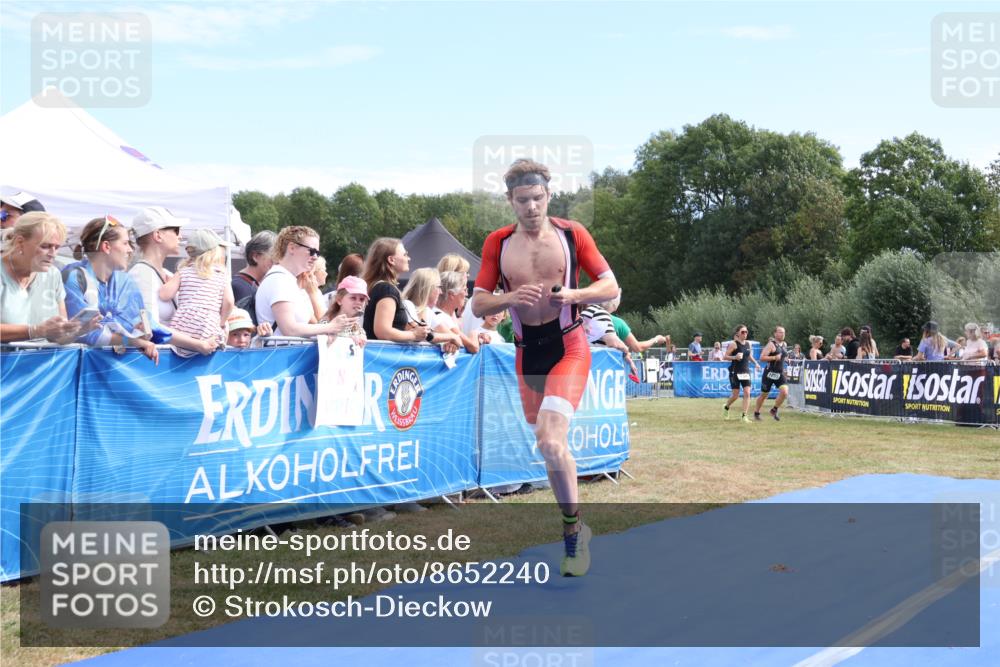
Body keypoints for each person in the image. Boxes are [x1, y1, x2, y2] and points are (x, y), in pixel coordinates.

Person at [471, 158, 618, 577]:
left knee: (552, 440)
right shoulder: (497, 243)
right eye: (522, 201)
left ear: (548, 196)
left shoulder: (572, 234)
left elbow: (611, 286)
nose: (531, 207)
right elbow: (478, 302)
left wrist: (573, 293)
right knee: (547, 446)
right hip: (526, 350)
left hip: (568, 345)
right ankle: (577, 523)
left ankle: (572, 535)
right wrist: (510, 298)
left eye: (537, 198)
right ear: (510, 201)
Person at [62, 216, 159, 363]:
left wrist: (139, 332)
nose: (130, 250)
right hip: (78, 371)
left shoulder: (123, 280)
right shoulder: (74, 277)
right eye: (125, 243)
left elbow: (145, 324)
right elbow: (86, 333)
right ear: (106, 247)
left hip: (110, 368)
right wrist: (134, 341)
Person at [128, 206, 214, 355]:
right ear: (158, 235)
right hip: (157, 366)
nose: (180, 236)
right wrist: (198, 345)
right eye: (176, 230)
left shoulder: (167, 274)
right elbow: (150, 328)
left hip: (170, 363)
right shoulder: (141, 273)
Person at [0, 212, 88, 342]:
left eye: (57, 247)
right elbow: (41, 331)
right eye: (45, 246)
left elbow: (60, 337)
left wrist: (79, 330)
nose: (53, 254)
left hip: (43, 361)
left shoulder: (53, 274)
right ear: (20, 242)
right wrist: (35, 331)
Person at [256, 226, 357, 338]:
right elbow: (289, 329)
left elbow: (314, 323)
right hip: (281, 353)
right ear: (292, 248)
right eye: (312, 251)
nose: (315, 257)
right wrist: (330, 327)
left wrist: (352, 332)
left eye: (317, 253)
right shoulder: (279, 280)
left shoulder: (289, 281)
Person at [159, 229, 234, 356]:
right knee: (224, 331)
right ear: (214, 252)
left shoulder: (184, 271)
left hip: (184, 324)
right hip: (209, 324)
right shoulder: (221, 274)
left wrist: (167, 283)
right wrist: (221, 322)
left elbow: (164, 295)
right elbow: (229, 302)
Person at [362, 237, 429, 344]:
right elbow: (383, 331)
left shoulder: (379, 287)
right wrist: (414, 335)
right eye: (405, 254)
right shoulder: (386, 289)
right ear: (391, 260)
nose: (409, 258)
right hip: (383, 357)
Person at [399, 267, 460, 351]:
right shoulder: (407, 304)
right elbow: (421, 334)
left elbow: (457, 340)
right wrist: (451, 337)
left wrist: (449, 342)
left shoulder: (427, 311)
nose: (441, 292)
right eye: (438, 287)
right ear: (427, 288)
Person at [722, 324, 760, 423]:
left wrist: (756, 363)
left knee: (747, 393)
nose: (745, 334)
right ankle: (726, 407)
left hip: (745, 371)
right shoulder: (734, 344)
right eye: (742, 332)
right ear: (737, 333)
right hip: (735, 371)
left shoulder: (748, 344)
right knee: (735, 395)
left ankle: (744, 416)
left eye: (746, 332)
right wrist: (735, 357)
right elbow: (725, 356)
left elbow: (749, 356)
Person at [435, 270, 480, 353]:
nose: (466, 294)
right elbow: (473, 347)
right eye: (465, 290)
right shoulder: (442, 317)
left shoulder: (446, 315)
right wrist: (474, 333)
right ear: (451, 294)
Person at [753, 325, 789, 421]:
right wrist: (773, 358)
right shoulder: (771, 344)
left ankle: (774, 409)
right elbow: (762, 357)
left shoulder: (784, 344)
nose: (782, 334)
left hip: (780, 373)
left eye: (784, 332)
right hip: (769, 373)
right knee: (764, 395)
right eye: (780, 332)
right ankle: (756, 413)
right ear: (775, 333)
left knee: (785, 392)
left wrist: (786, 360)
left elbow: (783, 357)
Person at [232, 230, 276, 304]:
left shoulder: (249, 284)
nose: (276, 262)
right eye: (273, 257)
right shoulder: (240, 287)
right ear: (256, 256)